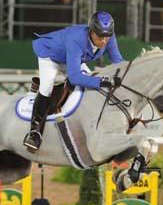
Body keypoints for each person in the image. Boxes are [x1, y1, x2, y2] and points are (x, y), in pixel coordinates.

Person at [23, 11, 124, 152]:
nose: (103, 41)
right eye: (100, 36)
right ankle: (34, 132)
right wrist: (104, 81)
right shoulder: (77, 39)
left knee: (89, 83)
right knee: (47, 87)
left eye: (106, 37)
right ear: (91, 31)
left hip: (72, 58)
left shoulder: (109, 37)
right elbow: (74, 77)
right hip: (50, 54)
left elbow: (118, 62)